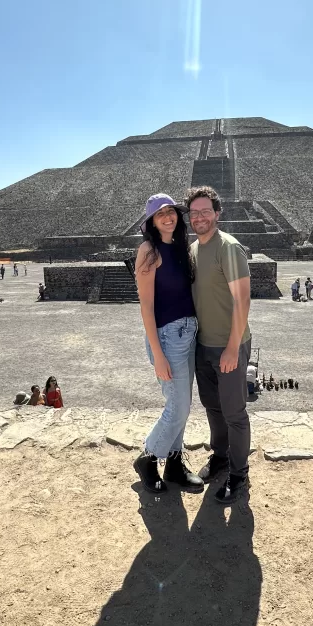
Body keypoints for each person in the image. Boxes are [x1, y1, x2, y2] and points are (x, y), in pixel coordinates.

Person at [131, 193, 202, 493]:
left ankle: (174, 464)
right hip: (167, 337)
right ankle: (148, 457)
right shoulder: (149, 251)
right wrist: (157, 354)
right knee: (178, 407)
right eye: (160, 214)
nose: (168, 217)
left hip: (189, 332)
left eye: (171, 211)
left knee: (182, 405)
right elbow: (146, 306)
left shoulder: (180, 247)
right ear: (151, 221)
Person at [186, 185, 253, 504]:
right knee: (213, 408)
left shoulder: (229, 247)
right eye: (194, 212)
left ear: (217, 214)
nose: (199, 217)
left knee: (234, 412)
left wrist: (231, 347)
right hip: (203, 345)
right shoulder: (193, 248)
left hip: (230, 344)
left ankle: (240, 473)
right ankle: (220, 458)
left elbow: (242, 300)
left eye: (205, 211)